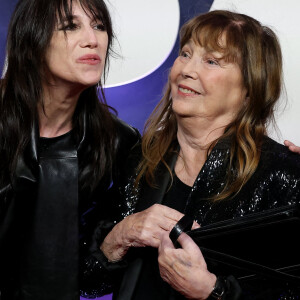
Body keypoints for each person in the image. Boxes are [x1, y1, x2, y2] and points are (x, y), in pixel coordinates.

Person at [81, 10, 300, 300]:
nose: (187, 69)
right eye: (185, 54)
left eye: (211, 61)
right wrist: (118, 238)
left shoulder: (284, 175)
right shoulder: (139, 159)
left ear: (251, 87)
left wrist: (214, 291)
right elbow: (88, 281)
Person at [0, 0, 140, 299]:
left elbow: (94, 278)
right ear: (33, 40)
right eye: (70, 26)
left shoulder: (118, 143)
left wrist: (113, 246)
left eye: (99, 26)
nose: (92, 39)